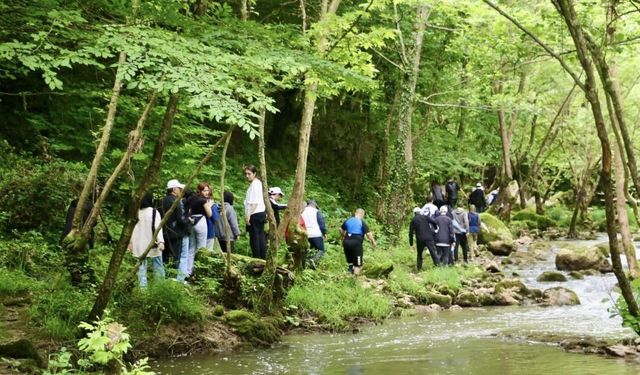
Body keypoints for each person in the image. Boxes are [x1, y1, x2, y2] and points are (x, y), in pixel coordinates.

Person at [177, 183, 212, 282]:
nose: (207, 192)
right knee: (201, 248)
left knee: (191, 248)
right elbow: (209, 214)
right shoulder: (203, 200)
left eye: (207, 190)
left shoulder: (191, 199)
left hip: (191, 222)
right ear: (200, 191)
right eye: (204, 190)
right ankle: (199, 272)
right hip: (201, 222)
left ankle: (188, 271)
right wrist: (209, 205)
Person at [129, 192, 165, 287]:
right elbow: (158, 227)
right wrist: (161, 241)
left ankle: (143, 289)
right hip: (153, 242)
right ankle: (160, 286)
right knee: (158, 264)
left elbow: (132, 229)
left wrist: (130, 243)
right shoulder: (154, 212)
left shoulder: (135, 212)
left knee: (141, 267)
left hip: (138, 243)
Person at [160, 179, 188, 267]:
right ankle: (172, 278)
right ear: (174, 189)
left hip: (163, 234)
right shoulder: (176, 201)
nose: (181, 191)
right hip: (175, 234)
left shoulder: (161, 201)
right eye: (179, 189)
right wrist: (189, 221)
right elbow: (181, 219)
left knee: (164, 258)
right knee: (175, 259)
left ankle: (163, 278)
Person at [339, 208, 376, 275]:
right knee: (358, 265)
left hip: (346, 242)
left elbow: (340, 229)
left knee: (350, 262)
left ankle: (350, 271)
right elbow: (368, 234)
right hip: (356, 244)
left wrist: (343, 236)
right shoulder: (361, 222)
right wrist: (373, 241)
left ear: (355, 213)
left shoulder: (348, 220)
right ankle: (355, 281)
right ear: (362, 214)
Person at [244, 165, 267, 259]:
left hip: (255, 213)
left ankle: (257, 258)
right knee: (260, 236)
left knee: (255, 237)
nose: (247, 176)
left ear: (254, 174)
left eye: (249, 174)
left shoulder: (255, 184)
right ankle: (262, 257)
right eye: (246, 174)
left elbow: (254, 202)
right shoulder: (256, 184)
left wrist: (248, 215)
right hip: (259, 213)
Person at [301, 199, 327, 266]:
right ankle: (313, 261)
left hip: (305, 234)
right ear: (314, 205)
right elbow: (321, 222)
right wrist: (324, 233)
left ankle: (306, 265)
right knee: (321, 250)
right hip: (316, 234)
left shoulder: (302, 211)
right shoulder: (316, 211)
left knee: (308, 250)